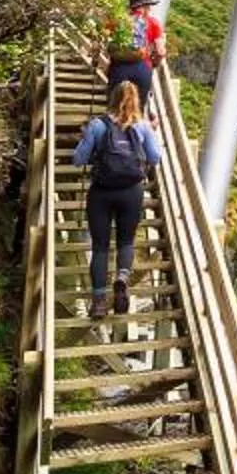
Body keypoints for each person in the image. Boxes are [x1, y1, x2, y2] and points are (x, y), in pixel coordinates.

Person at [72, 81, 165, 319]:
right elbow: (156, 158)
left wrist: (85, 140)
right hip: (131, 191)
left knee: (100, 247)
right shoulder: (142, 126)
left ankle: (99, 303)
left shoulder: (98, 125)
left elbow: (78, 159)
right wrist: (151, 134)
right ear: (137, 101)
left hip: (101, 192)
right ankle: (122, 278)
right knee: (125, 241)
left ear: (112, 98)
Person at [106, 0, 161, 113]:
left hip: (118, 68)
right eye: (149, 6)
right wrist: (155, 63)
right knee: (138, 110)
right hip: (142, 69)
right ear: (145, 7)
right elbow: (160, 51)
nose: (150, 9)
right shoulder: (153, 22)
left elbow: (105, 40)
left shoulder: (117, 21)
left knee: (113, 109)